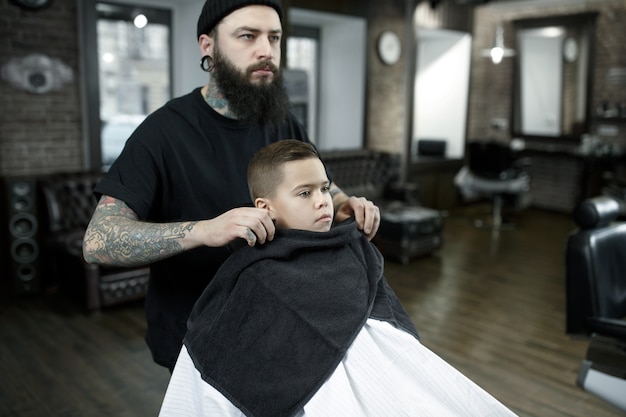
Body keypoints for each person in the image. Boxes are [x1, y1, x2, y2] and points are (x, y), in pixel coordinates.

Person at [82, 0, 380, 373]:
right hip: (198, 337)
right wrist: (206, 230)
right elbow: (98, 240)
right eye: (247, 36)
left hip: (277, 326)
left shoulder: (284, 123)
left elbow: (322, 185)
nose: (265, 51)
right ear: (208, 45)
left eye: (274, 38)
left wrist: (340, 203)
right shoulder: (161, 134)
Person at [158, 140, 517, 417]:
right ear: (264, 208)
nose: (322, 201)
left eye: (324, 188)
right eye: (304, 193)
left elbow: (388, 324)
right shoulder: (254, 275)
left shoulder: (353, 247)